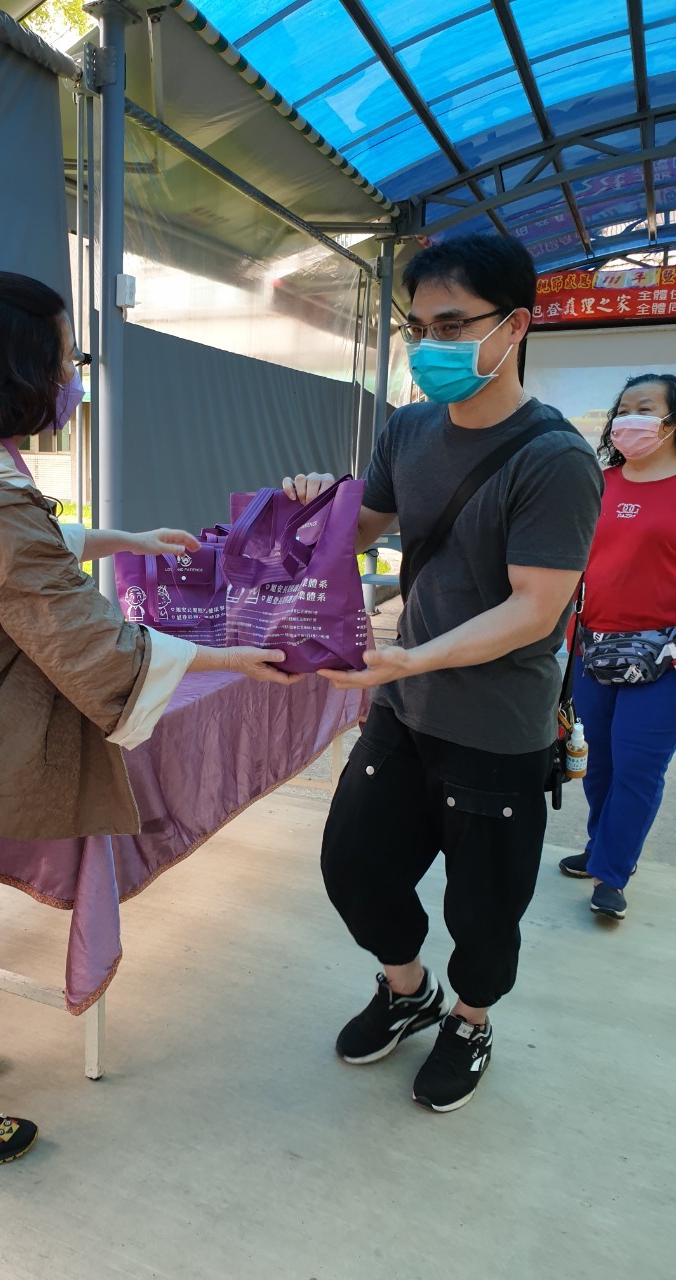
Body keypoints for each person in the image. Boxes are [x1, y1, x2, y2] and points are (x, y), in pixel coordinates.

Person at [0, 271, 297, 1166]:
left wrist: (123, 541)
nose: (72, 378)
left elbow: (3, 545)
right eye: (66, 361)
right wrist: (229, 658)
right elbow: (90, 645)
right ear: (20, 373)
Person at [283, 234, 602, 1113]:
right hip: (405, 704)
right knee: (354, 864)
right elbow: (362, 529)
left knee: (485, 908)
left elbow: (535, 608)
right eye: (419, 328)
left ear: (515, 326)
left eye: (453, 325)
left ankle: (470, 1018)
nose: (431, 347)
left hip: (496, 726)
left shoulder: (556, 460)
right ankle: (407, 989)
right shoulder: (410, 427)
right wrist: (315, 505)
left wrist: (415, 655)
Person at [558, 373, 676, 920]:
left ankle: (612, 872)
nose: (630, 418)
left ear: (671, 421)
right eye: (623, 408)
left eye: (644, 408)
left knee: (637, 766)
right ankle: (600, 846)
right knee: (598, 763)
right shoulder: (598, 484)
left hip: (665, 658)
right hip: (593, 649)